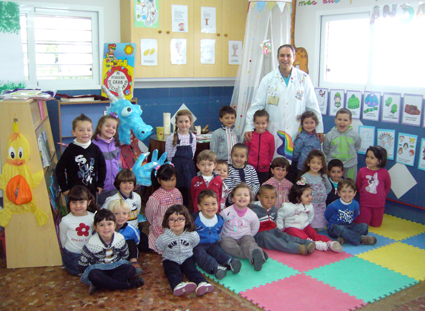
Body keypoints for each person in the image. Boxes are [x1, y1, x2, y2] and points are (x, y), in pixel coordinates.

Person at [244, 44, 324, 163]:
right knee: (276, 165)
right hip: (275, 130)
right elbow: (257, 105)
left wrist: (319, 128)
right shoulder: (268, 79)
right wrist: (249, 126)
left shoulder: (304, 78)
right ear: (277, 57)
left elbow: (312, 106)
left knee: (295, 165)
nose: (285, 59)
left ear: (294, 57)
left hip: (297, 130)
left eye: (288, 55)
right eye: (282, 55)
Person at [79, 209, 144, 294]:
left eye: (109, 224)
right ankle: (127, 285)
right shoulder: (91, 243)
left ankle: (100, 285)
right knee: (93, 275)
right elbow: (82, 264)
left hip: (116, 267)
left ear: (114, 225)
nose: (106, 228)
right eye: (102, 225)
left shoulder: (120, 238)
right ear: (95, 227)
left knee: (130, 269)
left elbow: (125, 255)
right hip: (99, 269)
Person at [156, 205, 215, 296]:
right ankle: (178, 285)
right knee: (172, 272)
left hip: (187, 257)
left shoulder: (192, 234)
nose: (176, 222)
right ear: (167, 222)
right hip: (170, 259)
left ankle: (202, 283)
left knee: (192, 270)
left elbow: (195, 243)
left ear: (186, 220)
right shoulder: (163, 238)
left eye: (180, 219)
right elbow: (159, 246)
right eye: (172, 219)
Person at [277, 179, 342, 252]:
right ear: (298, 197)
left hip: (305, 227)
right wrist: (280, 228)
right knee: (298, 234)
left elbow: (311, 215)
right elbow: (280, 216)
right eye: (307, 196)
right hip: (291, 228)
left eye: (311, 194)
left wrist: (307, 223)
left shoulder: (309, 206)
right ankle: (313, 244)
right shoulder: (287, 207)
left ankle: (330, 243)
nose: (310, 197)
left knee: (314, 233)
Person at [250, 185, 316, 255]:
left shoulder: (273, 209)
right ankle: (297, 248)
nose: (269, 200)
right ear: (259, 197)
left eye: (272, 198)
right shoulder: (253, 210)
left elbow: (275, 221)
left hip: (272, 230)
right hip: (261, 235)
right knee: (277, 241)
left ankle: (305, 242)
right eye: (266, 197)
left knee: (284, 236)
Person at [193, 190, 242, 280]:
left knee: (219, 252)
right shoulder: (194, 219)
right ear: (199, 207)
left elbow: (219, 231)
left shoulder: (219, 219)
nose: (210, 207)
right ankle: (216, 268)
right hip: (198, 244)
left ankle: (230, 261)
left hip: (213, 243)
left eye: (214, 204)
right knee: (201, 256)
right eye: (206, 204)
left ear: (218, 205)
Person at [56, 113, 106, 199]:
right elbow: (59, 169)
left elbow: (102, 167)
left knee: (92, 211)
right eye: (81, 130)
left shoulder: (95, 149)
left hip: (91, 192)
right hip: (74, 194)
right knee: (76, 211)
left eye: (89, 130)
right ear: (74, 133)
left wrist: (100, 184)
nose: (85, 133)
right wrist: (64, 188)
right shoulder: (70, 150)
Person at [220, 183, 268, 271]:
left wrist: (249, 235)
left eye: (246, 195)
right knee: (225, 245)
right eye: (239, 195)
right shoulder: (225, 212)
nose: (242, 197)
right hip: (229, 238)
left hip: (245, 236)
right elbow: (220, 226)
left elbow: (255, 227)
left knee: (249, 243)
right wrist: (220, 238)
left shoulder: (252, 214)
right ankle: (255, 254)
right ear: (232, 198)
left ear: (250, 199)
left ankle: (255, 253)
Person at [102, 169, 149, 252]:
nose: (127, 185)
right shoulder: (112, 199)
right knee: (129, 248)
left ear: (134, 184)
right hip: (119, 232)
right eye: (124, 182)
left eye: (130, 183)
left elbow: (137, 212)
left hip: (134, 230)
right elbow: (101, 214)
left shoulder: (137, 197)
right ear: (118, 184)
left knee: (146, 245)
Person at [325, 179, 377, 246]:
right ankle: (361, 240)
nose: (347, 194)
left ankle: (345, 238)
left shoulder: (355, 204)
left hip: (349, 225)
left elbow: (354, 215)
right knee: (341, 229)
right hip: (335, 227)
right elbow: (327, 215)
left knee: (364, 226)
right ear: (338, 193)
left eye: (350, 191)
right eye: (344, 191)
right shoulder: (333, 205)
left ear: (354, 193)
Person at [59, 185, 98, 276]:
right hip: (73, 254)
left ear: (88, 202)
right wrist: (66, 249)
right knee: (78, 271)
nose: (77, 206)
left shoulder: (92, 217)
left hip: (89, 252)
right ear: (69, 203)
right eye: (74, 202)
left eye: (81, 202)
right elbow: (63, 237)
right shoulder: (66, 220)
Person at [145, 164, 182, 253]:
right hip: (161, 228)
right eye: (166, 180)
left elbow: (181, 209)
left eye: (172, 180)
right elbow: (149, 214)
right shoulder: (155, 197)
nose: (170, 183)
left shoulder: (177, 192)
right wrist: (156, 223)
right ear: (159, 180)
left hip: (176, 225)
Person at [165, 110, 197, 207]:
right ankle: (175, 207)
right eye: (181, 121)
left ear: (190, 123)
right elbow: (169, 155)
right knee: (177, 189)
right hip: (177, 167)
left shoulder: (193, 137)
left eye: (186, 121)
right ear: (176, 123)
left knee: (187, 190)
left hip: (188, 167)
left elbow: (193, 152)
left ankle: (185, 209)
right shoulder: (172, 138)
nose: (184, 124)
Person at [355, 146, 391, 227]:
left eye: (372, 158)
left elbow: (387, 186)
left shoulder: (384, 172)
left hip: (379, 204)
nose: (368, 159)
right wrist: (364, 193)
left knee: (376, 225)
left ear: (379, 161)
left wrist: (382, 195)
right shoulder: (362, 171)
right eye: (367, 157)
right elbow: (359, 184)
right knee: (364, 224)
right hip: (365, 203)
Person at [323, 108, 361, 180]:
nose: (342, 122)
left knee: (350, 185)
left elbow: (357, 147)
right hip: (334, 167)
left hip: (350, 165)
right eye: (339, 119)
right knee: (332, 185)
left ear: (350, 122)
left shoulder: (355, 135)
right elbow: (326, 149)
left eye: (345, 120)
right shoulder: (330, 135)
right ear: (335, 120)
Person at [107, 199, 143, 276]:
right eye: (117, 213)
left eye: (124, 213)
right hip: (112, 251)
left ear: (128, 215)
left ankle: (133, 262)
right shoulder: (107, 228)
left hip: (127, 251)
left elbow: (137, 241)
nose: (121, 216)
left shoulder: (131, 229)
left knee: (130, 242)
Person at [92, 114, 120, 205]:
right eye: (107, 125)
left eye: (114, 127)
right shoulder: (93, 145)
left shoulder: (115, 144)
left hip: (115, 186)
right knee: (101, 210)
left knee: (114, 209)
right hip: (100, 188)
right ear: (100, 127)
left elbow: (117, 163)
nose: (110, 129)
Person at [301, 150, 332, 230]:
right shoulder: (304, 177)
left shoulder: (323, 176)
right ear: (308, 163)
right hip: (310, 205)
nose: (316, 165)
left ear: (322, 165)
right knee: (310, 226)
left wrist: (324, 195)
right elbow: (300, 190)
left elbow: (329, 187)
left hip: (321, 205)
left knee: (321, 227)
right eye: (313, 162)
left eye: (318, 163)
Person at [245, 109, 275, 184]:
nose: (260, 126)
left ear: (267, 123)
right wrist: (247, 161)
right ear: (253, 123)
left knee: (262, 186)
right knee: (250, 185)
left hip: (264, 168)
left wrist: (268, 162)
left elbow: (271, 151)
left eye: (263, 123)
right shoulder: (250, 135)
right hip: (250, 167)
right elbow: (246, 150)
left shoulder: (270, 137)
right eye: (257, 123)